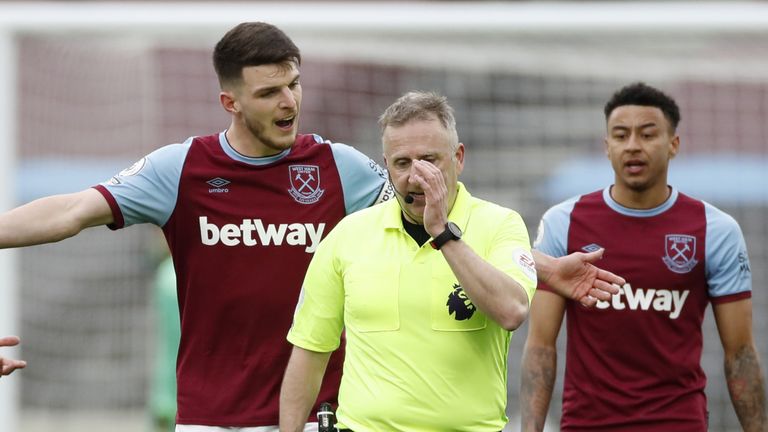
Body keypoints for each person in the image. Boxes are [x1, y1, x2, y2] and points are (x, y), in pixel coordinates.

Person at [0, 22, 394, 431]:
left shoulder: (339, 167)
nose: (288, 102)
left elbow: (421, 221)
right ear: (230, 102)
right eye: (268, 93)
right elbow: (72, 211)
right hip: (210, 419)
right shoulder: (181, 169)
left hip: (316, 414)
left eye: (294, 84)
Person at [279, 91, 623, 431]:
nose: (416, 176)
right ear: (386, 166)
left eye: (430, 160)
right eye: (402, 163)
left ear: (458, 157)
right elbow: (311, 351)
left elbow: (512, 310)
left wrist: (442, 232)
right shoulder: (348, 235)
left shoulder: (500, 224)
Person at [520, 82, 768, 431]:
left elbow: (740, 353)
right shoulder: (564, 222)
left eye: (647, 134)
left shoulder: (716, 229)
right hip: (588, 425)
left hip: (677, 423)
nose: (633, 146)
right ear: (607, 147)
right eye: (621, 136)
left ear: (673, 145)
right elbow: (541, 346)